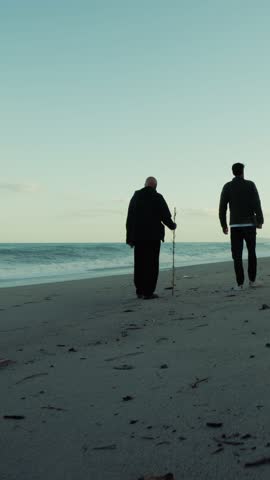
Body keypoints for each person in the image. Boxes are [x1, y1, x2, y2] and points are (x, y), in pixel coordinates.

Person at [126, 176, 177, 299]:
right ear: (155, 186)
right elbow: (165, 216)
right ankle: (148, 292)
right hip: (153, 237)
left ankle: (139, 290)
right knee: (152, 264)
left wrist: (129, 238)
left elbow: (129, 218)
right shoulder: (158, 197)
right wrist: (172, 226)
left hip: (138, 237)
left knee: (139, 264)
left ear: (145, 184)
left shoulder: (136, 197)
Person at [219, 163, 264, 290]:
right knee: (251, 252)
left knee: (237, 255)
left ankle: (239, 284)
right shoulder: (250, 185)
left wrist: (223, 225)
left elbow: (222, 207)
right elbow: (257, 203)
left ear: (232, 172)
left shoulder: (227, 186)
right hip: (249, 224)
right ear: (243, 171)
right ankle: (252, 281)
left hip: (235, 225)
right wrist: (260, 220)